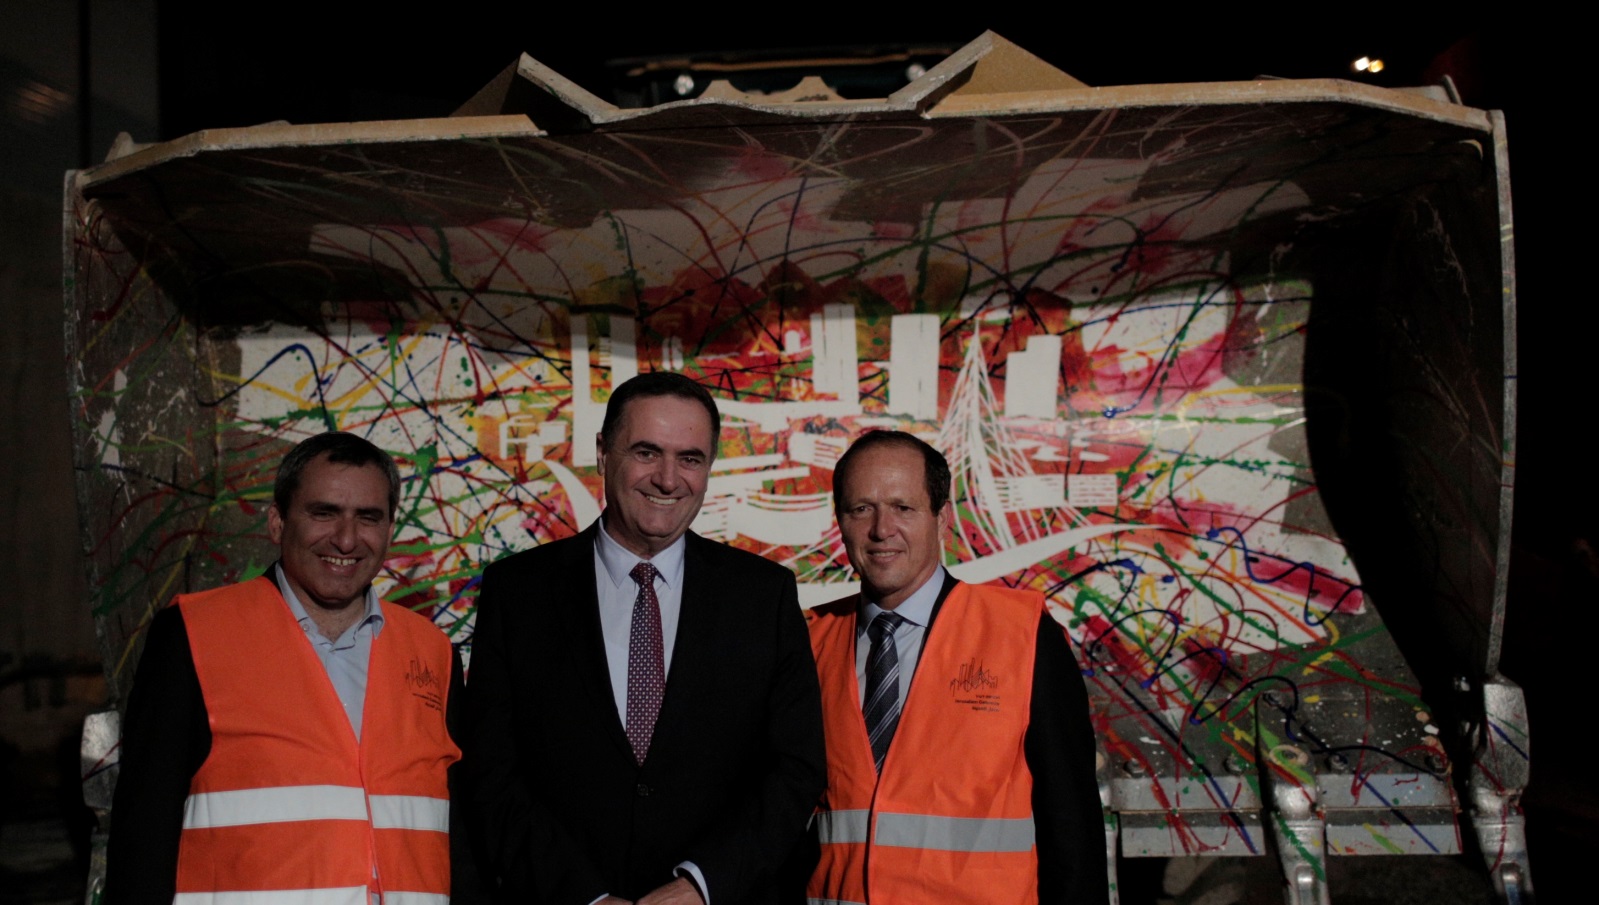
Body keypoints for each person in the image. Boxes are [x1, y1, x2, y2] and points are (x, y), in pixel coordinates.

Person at [466, 372, 826, 905]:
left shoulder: (762, 595)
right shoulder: (519, 592)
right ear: (603, 453)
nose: (667, 478)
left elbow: (795, 770)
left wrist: (701, 886)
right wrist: (584, 896)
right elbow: (491, 771)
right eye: (646, 452)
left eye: (690, 459)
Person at [105, 431, 468, 905]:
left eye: (368, 517)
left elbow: (463, 840)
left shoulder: (433, 652)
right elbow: (143, 832)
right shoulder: (193, 633)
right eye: (323, 513)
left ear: (389, 530)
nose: (346, 538)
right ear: (277, 523)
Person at [806, 430, 1109, 904]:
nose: (882, 529)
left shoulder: (1023, 634)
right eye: (861, 508)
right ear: (840, 520)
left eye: (903, 508)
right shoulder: (809, 641)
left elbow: (1072, 826)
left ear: (942, 518)